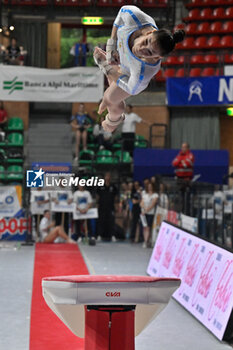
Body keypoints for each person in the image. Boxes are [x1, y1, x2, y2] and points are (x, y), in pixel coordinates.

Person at [93, 5, 185, 133]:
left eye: (149, 52)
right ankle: (113, 100)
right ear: (150, 32)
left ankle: (113, 121)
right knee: (111, 96)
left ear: (157, 57)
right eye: (146, 42)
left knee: (109, 97)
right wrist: (111, 44)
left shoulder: (144, 71)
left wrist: (105, 66)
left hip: (129, 76)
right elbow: (121, 12)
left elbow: (131, 88)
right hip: (121, 59)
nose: (141, 49)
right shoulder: (136, 19)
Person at [96, 172, 118, 241]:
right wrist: (97, 205)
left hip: (110, 206)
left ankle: (112, 235)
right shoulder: (100, 186)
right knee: (101, 221)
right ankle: (99, 235)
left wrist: (116, 205)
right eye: (106, 176)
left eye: (109, 176)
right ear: (104, 177)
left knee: (111, 221)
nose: (107, 177)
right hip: (102, 206)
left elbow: (116, 196)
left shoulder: (113, 186)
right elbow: (97, 196)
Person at [140, 182, 158, 248]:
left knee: (148, 227)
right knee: (144, 227)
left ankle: (146, 241)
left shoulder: (155, 195)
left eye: (151, 186)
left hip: (150, 213)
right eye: (148, 186)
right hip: (143, 213)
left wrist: (147, 210)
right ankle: (145, 240)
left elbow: (153, 204)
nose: (150, 187)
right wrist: (144, 210)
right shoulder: (144, 194)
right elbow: (141, 203)